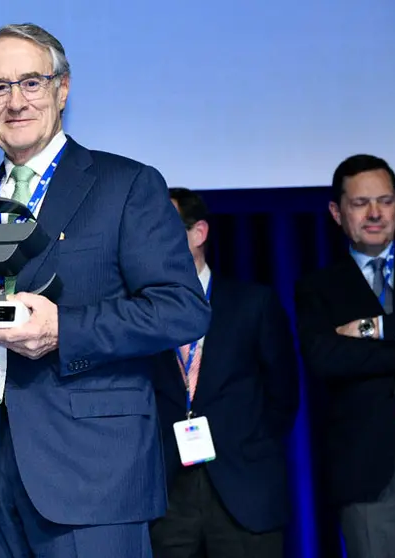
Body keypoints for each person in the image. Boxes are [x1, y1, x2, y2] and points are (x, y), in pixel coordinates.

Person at [0, 23, 210, 558]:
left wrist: (61, 330)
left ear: (62, 89)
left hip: (93, 477)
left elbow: (181, 310)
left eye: (31, 82)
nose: (15, 101)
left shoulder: (127, 185)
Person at [150, 188, 299, 558]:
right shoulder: (139, 313)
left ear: (198, 233)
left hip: (243, 490)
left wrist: (247, 442)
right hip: (167, 497)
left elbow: (283, 394)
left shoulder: (253, 304)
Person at [294, 154, 395, 557]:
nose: (375, 213)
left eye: (384, 201)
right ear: (337, 212)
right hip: (367, 466)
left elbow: (350, 354)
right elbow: (326, 358)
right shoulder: (318, 287)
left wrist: (371, 330)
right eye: (361, 203)